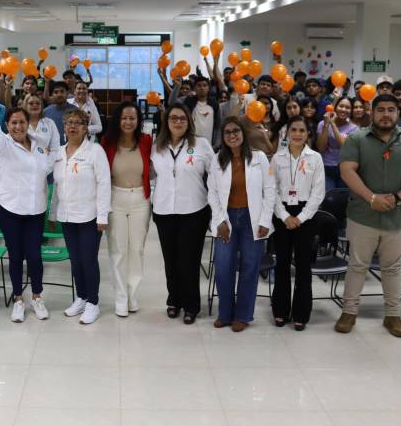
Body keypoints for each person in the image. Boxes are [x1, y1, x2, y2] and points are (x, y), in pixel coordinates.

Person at [335, 94, 401, 338]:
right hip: (362, 216)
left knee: (393, 268)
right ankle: (349, 312)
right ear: (372, 112)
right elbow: (347, 171)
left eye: (391, 110)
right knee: (357, 266)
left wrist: (397, 198)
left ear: (398, 113)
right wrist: (372, 198)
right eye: (381, 110)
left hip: (398, 218)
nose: (386, 114)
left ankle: (393, 315)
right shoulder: (356, 139)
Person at [0, 90, 54, 322]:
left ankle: (37, 296)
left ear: (28, 124)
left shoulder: (41, 146)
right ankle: (18, 300)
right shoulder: (2, 144)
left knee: (34, 255)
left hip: (35, 209)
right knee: (15, 255)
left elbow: (52, 167)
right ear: (7, 125)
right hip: (10, 209)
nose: (18, 127)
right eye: (13, 123)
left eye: (22, 122)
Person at [207, 117, 275, 332]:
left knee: (249, 267)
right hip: (226, 219)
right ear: (223, 136)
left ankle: (243, 315)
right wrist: (219, 221)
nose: (232, 135)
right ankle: (225, 314)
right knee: (223, 266)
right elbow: (212, 193)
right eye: (227, 132)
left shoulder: (259, 158)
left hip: (252, 219)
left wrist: (265, 220)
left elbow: (270, 190)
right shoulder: (217, 160)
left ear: (243, 133)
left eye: (236, 131)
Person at [150, 104, 214, 324]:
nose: (178, 122)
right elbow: (151, 175)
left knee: (189, 260)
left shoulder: (201, 145)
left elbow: (215, 176)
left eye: (182, 119)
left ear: (189, 122)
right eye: (173, 118)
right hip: (164, 210)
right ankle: (173, 300)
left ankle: (191, 305)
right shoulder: (157, 146)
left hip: (194, 211)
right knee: (170, 260)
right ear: (166, 122)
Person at [50, 109, 111, 325]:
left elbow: (104, 184)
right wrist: (53, 212)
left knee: (88, 260)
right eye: (68, 122)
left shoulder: (95, 152)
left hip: (89, 216)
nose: (72, 126)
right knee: (75, 261)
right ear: (64, 126)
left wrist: (102, 216)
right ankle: (82, 297)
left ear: (86, 128)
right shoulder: (58, 152)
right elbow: (57, 185)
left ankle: (93, 302)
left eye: (78, 123)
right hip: (67, 216)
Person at [271, 116, 325, 331]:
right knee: (282, 264)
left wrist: (300, 218)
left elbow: (318, 192)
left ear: (308, 134)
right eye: (293, 129)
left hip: (306, 215)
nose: (297, 134)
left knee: (303, 266)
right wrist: (284, 216)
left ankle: (301, 312)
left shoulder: (315, 158)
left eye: (302, 130)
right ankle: (280, 310)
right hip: (282, 214)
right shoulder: (277, 158)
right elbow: (271, 189)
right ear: (286, 132)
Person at [100, 102, 152, 317]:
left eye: (132, 118)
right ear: (117, 120)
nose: (128, 122)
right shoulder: (107, 142)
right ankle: (121, 297)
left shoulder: (146, 141)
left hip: (140, 199)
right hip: (116, 198)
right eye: (124, 118)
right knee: (118, 250)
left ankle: (132, 294)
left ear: (138, 121)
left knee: (136, 250)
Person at [316, 97, 358, 190]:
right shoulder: (322, 124)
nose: (343, 109)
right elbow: (321, 148)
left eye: (347, 107)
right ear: (335, 108)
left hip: (345, 169)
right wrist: (327, 124)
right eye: (341, 106)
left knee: (342, 198)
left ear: (351, 111)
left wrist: (333, 124)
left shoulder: (354, 128)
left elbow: (345, 147)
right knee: (329, 197)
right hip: (326, 167)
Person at [44, 81, 77, 145]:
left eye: (62, 91)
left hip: (71, 149)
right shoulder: (46, 112)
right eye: (56, 92)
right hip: (51, 149)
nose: (59, 94)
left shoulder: (76, 111)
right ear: (52, 95)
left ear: (67, 93)